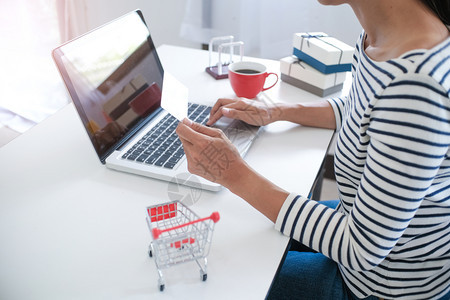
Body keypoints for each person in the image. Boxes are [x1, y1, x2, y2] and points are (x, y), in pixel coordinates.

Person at [176, 0, 450, 299]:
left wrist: (231, 173)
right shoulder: (380, 39)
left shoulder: (416, 85)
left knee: (212, 274)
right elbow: (362, 111)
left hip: (375, 286)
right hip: (360, 229)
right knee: (233, 231)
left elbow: (362, 249)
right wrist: (276, 111)